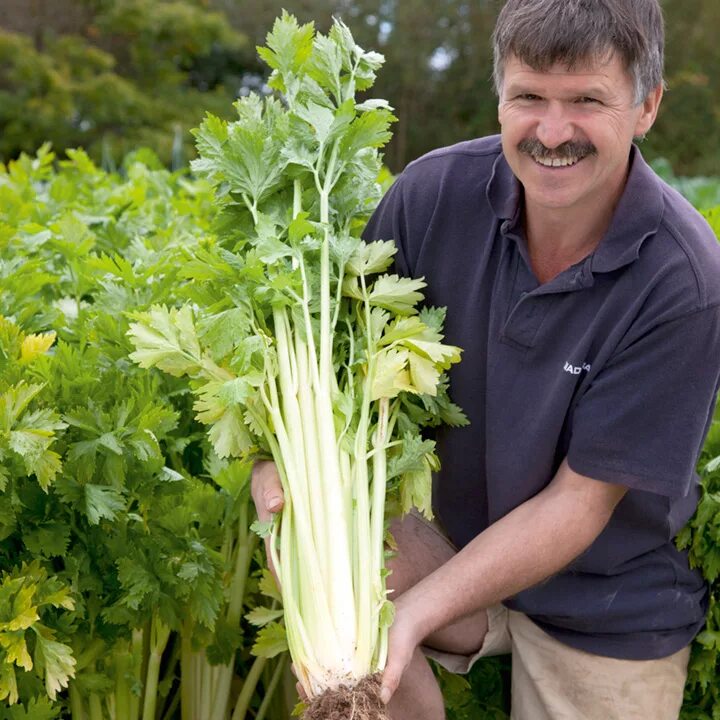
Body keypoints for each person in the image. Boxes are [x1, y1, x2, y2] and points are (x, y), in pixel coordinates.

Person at [252, 0, 720, 717]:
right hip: (440, 541)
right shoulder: (432, 197)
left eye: (587, 101)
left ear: (646, 105)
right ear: (499, 94)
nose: (552, 131)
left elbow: (578, 503)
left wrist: (409, 617)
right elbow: (335, 377)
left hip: (606, 600)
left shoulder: (682, 279)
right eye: (529, 96)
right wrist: (277, 469)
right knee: (310, 528)